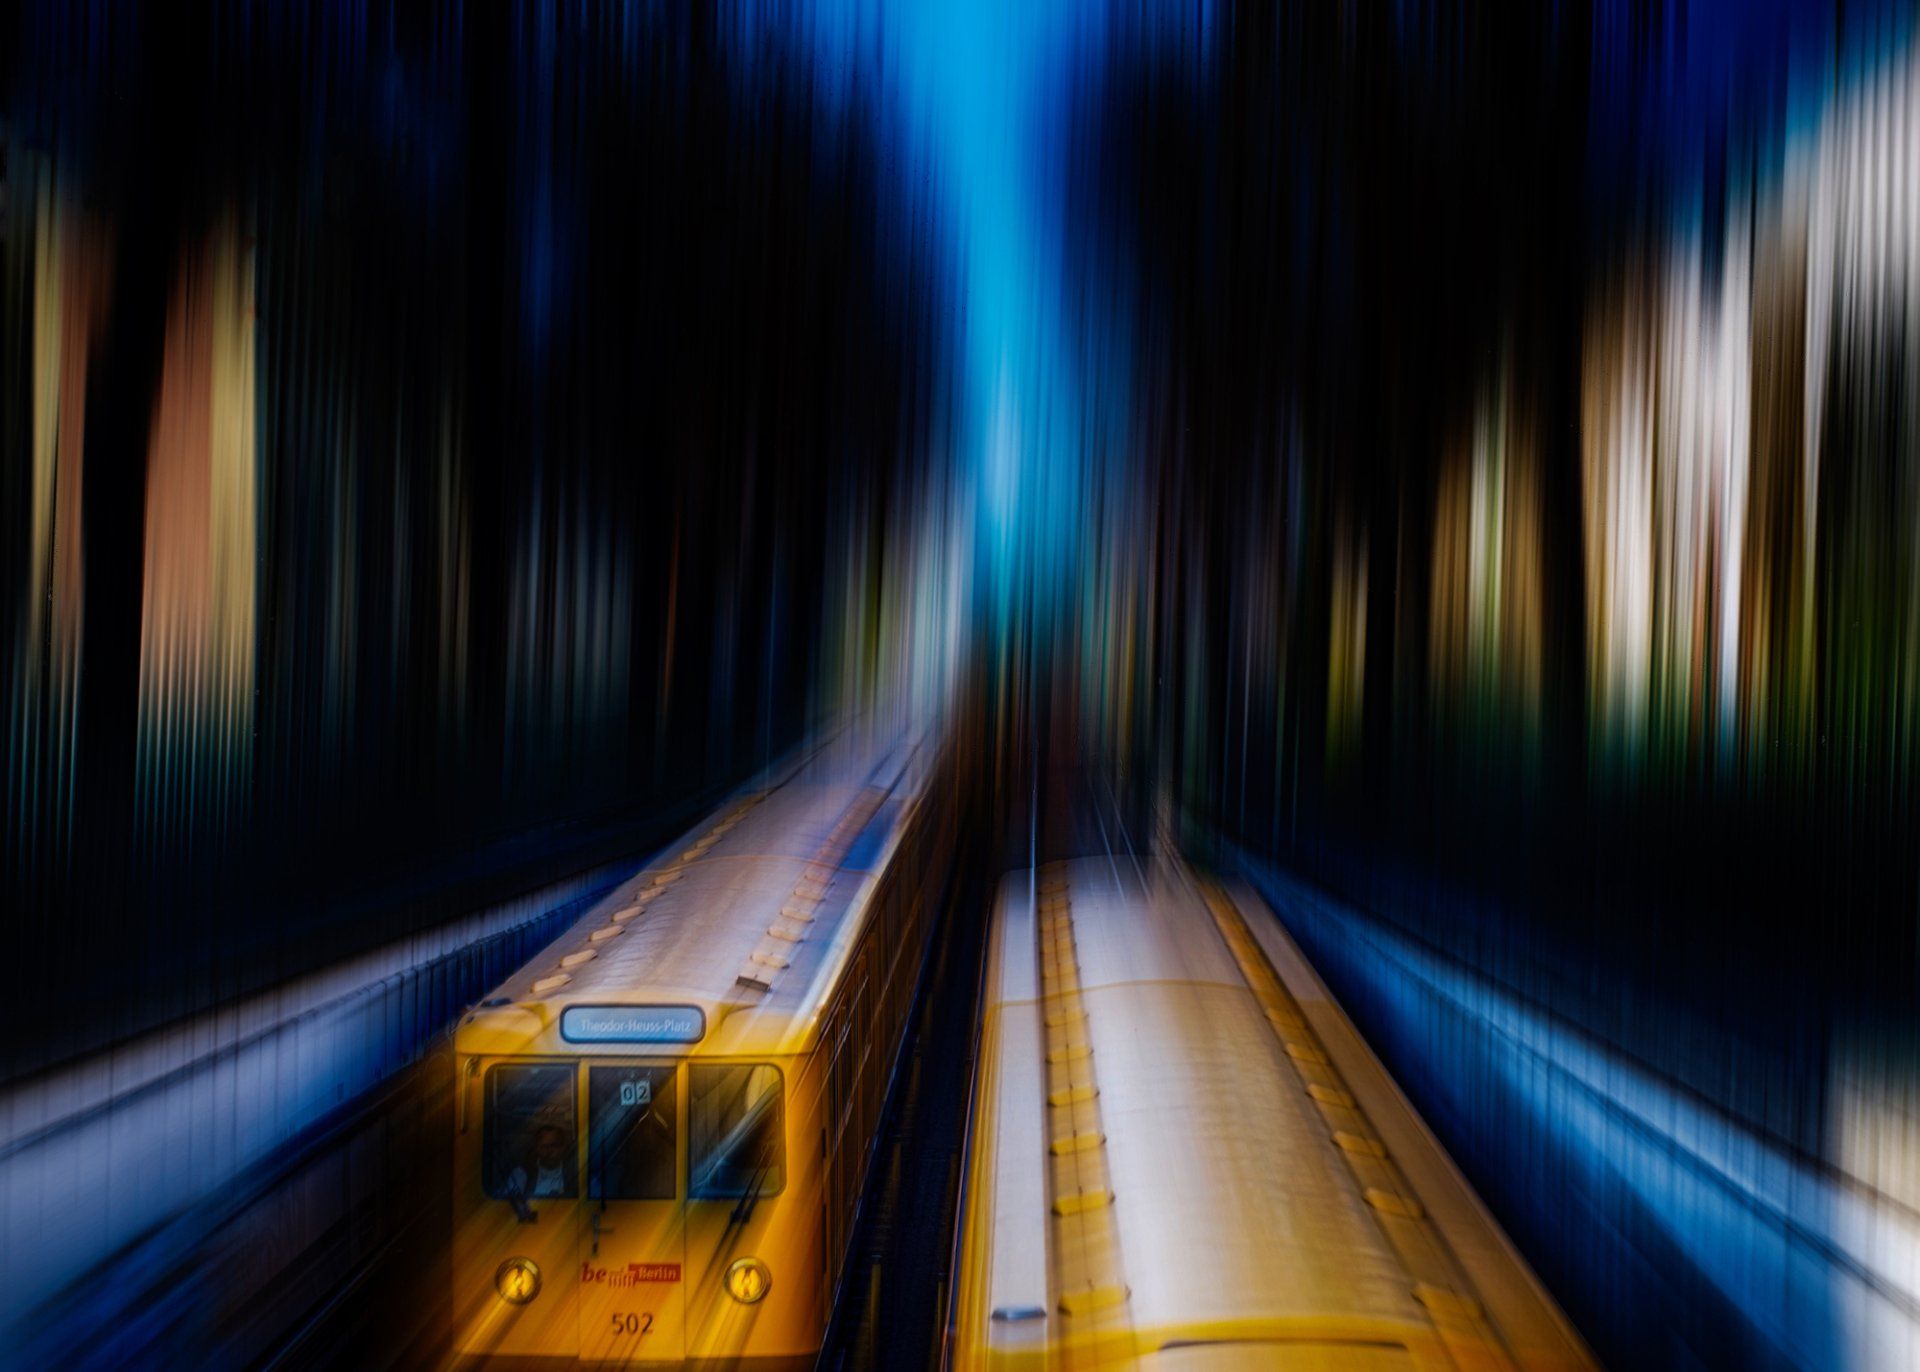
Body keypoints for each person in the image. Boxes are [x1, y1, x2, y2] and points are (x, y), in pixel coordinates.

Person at [506, 1124, 576, 1199]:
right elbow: (506, 1204)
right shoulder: (521, 1173)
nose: (549, 1151)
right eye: (544, 1146)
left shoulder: (574, 1175)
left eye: (554, 1145)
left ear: (563, 1147)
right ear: (536, 1148)